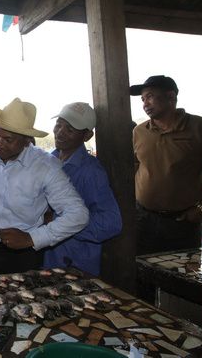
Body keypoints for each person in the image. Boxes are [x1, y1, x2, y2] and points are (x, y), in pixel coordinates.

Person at [0, 98, 89, 276]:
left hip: (25, 257)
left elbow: (78, 214)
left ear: (27, 141)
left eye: (8, 139)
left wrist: (32, 238)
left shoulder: (45, 166)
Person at [131, 75, 202, 255]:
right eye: (143, 99)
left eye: (150, 96)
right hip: (143, 219)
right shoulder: (139, 132)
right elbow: (135, 167)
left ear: (171, 97)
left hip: (183, 221)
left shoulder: (200, 128)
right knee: (142, 275)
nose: (145, 103)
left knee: (184, 276)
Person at [43, 102, 122, 276]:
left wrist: (58, 220)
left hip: (75, 262)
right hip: (48, 259)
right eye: (59, 124)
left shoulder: (91, 172)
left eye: (70, 129)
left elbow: (111, 223)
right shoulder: (49, 161)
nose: (60, 132)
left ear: (87, 136)